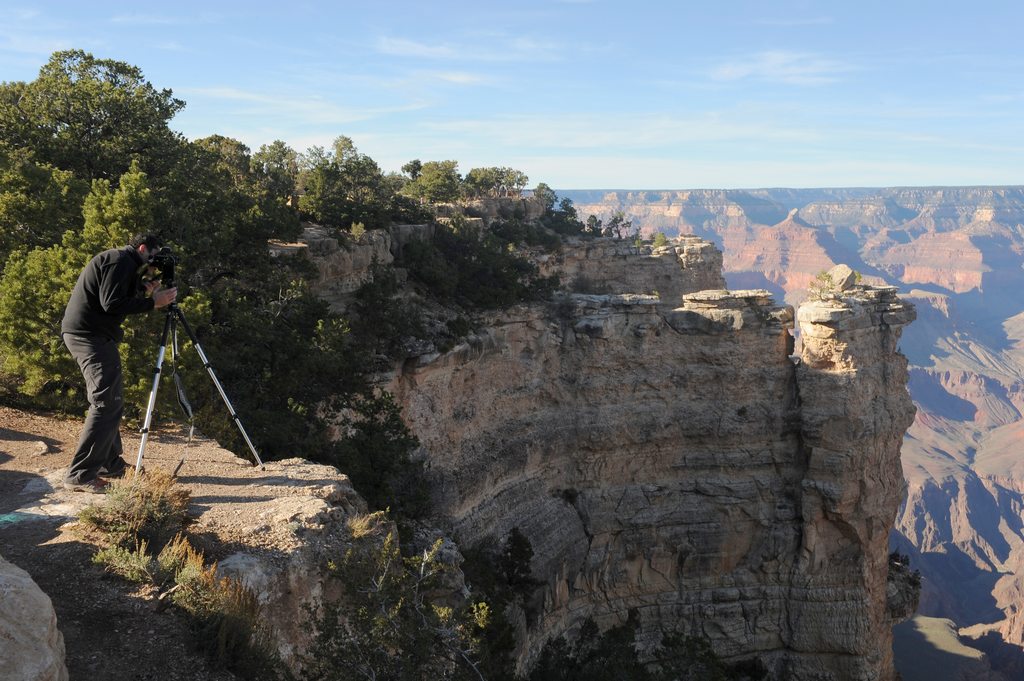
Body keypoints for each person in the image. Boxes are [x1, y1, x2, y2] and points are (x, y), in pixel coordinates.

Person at [60, 234, 177, 492]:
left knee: (111, 399)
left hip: (91, 334)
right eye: (152, 257)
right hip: (89, 336)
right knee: (106, 402)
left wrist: (143, 290)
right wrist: (152, 302)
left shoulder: (121, 261)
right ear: (143, 248)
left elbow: (113, 299)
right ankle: (80, 474)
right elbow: (111, 303)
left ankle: (109, 463)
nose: (153, 264)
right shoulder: (121, 260)